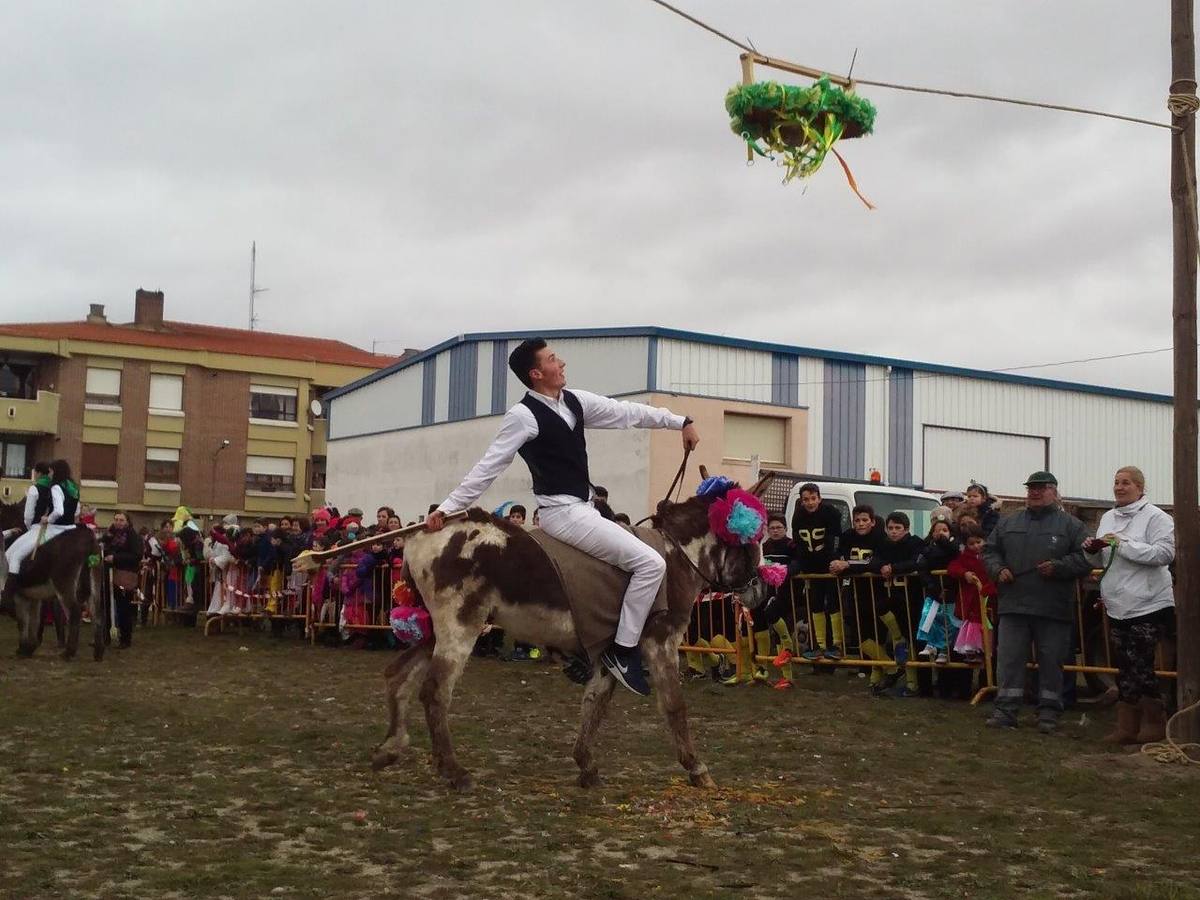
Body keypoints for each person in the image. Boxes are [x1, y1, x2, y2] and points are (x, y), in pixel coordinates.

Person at [426, 337, 699, 696]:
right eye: (554, 359)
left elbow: (627, 414)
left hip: (585, 509)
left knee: (625, 568)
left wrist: (680, 420)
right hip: (562, 513)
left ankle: (592, 647)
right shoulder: (522, 416)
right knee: (651, 564)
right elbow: (489, 466)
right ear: (537, 373)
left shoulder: (575, 401)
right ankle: (621, 652)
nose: (563, 363)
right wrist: (448, 507)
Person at [983, 471, 1091, 733]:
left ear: (1054, 492)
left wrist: (1059, 567)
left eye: (1041, 488)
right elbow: (989, 551)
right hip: (1014, 605)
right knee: (1009, 661)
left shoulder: (1071, 526)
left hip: (1053, 608)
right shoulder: (1008, 522)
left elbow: (1087, 558)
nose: (1035, 492)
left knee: (1052, 661)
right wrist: (998, 570)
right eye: (1031, 488)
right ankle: (1006, 711)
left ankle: (1049, 713)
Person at [1085, 466, 1175, 744]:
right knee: (1123, 663)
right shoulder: (1108, 517)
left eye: (1126, 483)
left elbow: (1165, 553)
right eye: (1116, 482)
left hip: (1149, 602)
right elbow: (1102, 561)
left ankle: (1154, 721)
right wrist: (1092, 550)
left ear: (1140, 487)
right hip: (1117, 602)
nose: (1119, 487)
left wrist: (1123, 545)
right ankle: (1126, 724)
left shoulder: (1157, 518)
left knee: (1141, 663)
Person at [868, 512, 925, 697]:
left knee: (912, 641)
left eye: (897, 528)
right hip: (890, 595)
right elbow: (874, 560)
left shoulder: (915, 542)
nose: (893, 532)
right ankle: (905, 678)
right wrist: (882, 566)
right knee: (899, 639)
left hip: (911, 598)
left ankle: (914, 684)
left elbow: (916, 562)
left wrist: (894, 568)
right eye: (890, 528)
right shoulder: (884, 544)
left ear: (906, 529)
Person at [2, 459, 78, 595]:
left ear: (38, 473)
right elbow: (76, 511)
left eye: (51, 472)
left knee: (13, 556)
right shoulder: (72, 488)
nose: (49, 475)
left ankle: (8, 596)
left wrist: (43, 520)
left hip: (47, 528)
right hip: (71, 529)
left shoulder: (44, 487)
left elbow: (30, 515)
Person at [790, 483, 844, 662]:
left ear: (819, 498)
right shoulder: (798, 515)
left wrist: (834, 560)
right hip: (812, 566)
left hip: (829, 564)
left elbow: (835, 538)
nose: (810, 503)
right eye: (806, 499)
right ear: (802, 500)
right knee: (815, 604)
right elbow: (798, 540)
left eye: (813, 498)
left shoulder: (831, 513)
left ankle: (837, 645)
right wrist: (803, 563)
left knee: (833, 603)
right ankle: (819, 646)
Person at [947, 526, 996, 663]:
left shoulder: (992, 555)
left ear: (985, 540)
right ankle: (974, 652)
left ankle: (989, 652)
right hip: (972, 600)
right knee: (974, 626)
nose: (975, 546)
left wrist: (990, 588)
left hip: (990, 596)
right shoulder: (965, 558)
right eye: (971, 544)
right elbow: (952, 567)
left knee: (989, 625)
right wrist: (965, 573)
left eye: (978, 542)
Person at [103, 511, 144, 648]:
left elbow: (136, 555)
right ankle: (106, 635)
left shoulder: (133, 536)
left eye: (121, 520)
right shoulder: (110, 535)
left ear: (127, 521)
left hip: (125, 575)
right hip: (109, 574)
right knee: (106, 606)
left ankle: (125, 638)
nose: (118, 522)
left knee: (123, 608)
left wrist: (116, 558)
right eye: (116, 519)